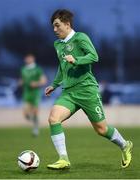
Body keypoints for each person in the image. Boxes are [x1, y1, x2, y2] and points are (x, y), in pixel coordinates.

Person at [45, 9, 133, 170]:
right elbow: (62, 66)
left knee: (101, 130)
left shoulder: (80, 38)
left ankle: (125, 145)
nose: (54, 30)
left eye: (57, 26)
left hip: (87, 90)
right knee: (53, 118)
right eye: (53, 27)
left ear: (67, 24)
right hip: (69, 92)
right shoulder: (57, 44)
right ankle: (63, 159)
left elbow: (94, 56)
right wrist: (55, 84)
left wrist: (76, 59)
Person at [20, 54, 47, 136]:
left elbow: (44, 80)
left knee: (35, 112)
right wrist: (20, 82)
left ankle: (35, 128)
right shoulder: (23, 69)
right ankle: (33, 121)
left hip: (35, 93)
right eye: (27, 58)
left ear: (33, 59)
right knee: (26, 113)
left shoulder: (37, 69)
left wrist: (37, 83)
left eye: (29, 58)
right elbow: (23, 79)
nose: (28, 59)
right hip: (27, 93)